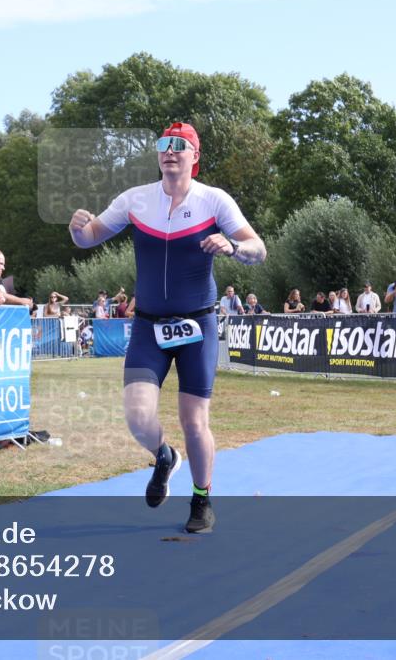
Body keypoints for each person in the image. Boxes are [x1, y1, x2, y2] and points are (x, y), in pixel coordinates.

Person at [69, 121, 266, 534]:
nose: (170, 150)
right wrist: (76, 229)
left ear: (195, 156)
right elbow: (88, 238)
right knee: (138, 416)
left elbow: (258, 249)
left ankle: (201, 499)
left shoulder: (214, 200)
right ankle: (164, 455)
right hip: (148, 326)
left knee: (194, 422)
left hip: (198, 325)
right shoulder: (136, 199)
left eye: (180, 144)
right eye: (164, 144)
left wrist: (232, 246)